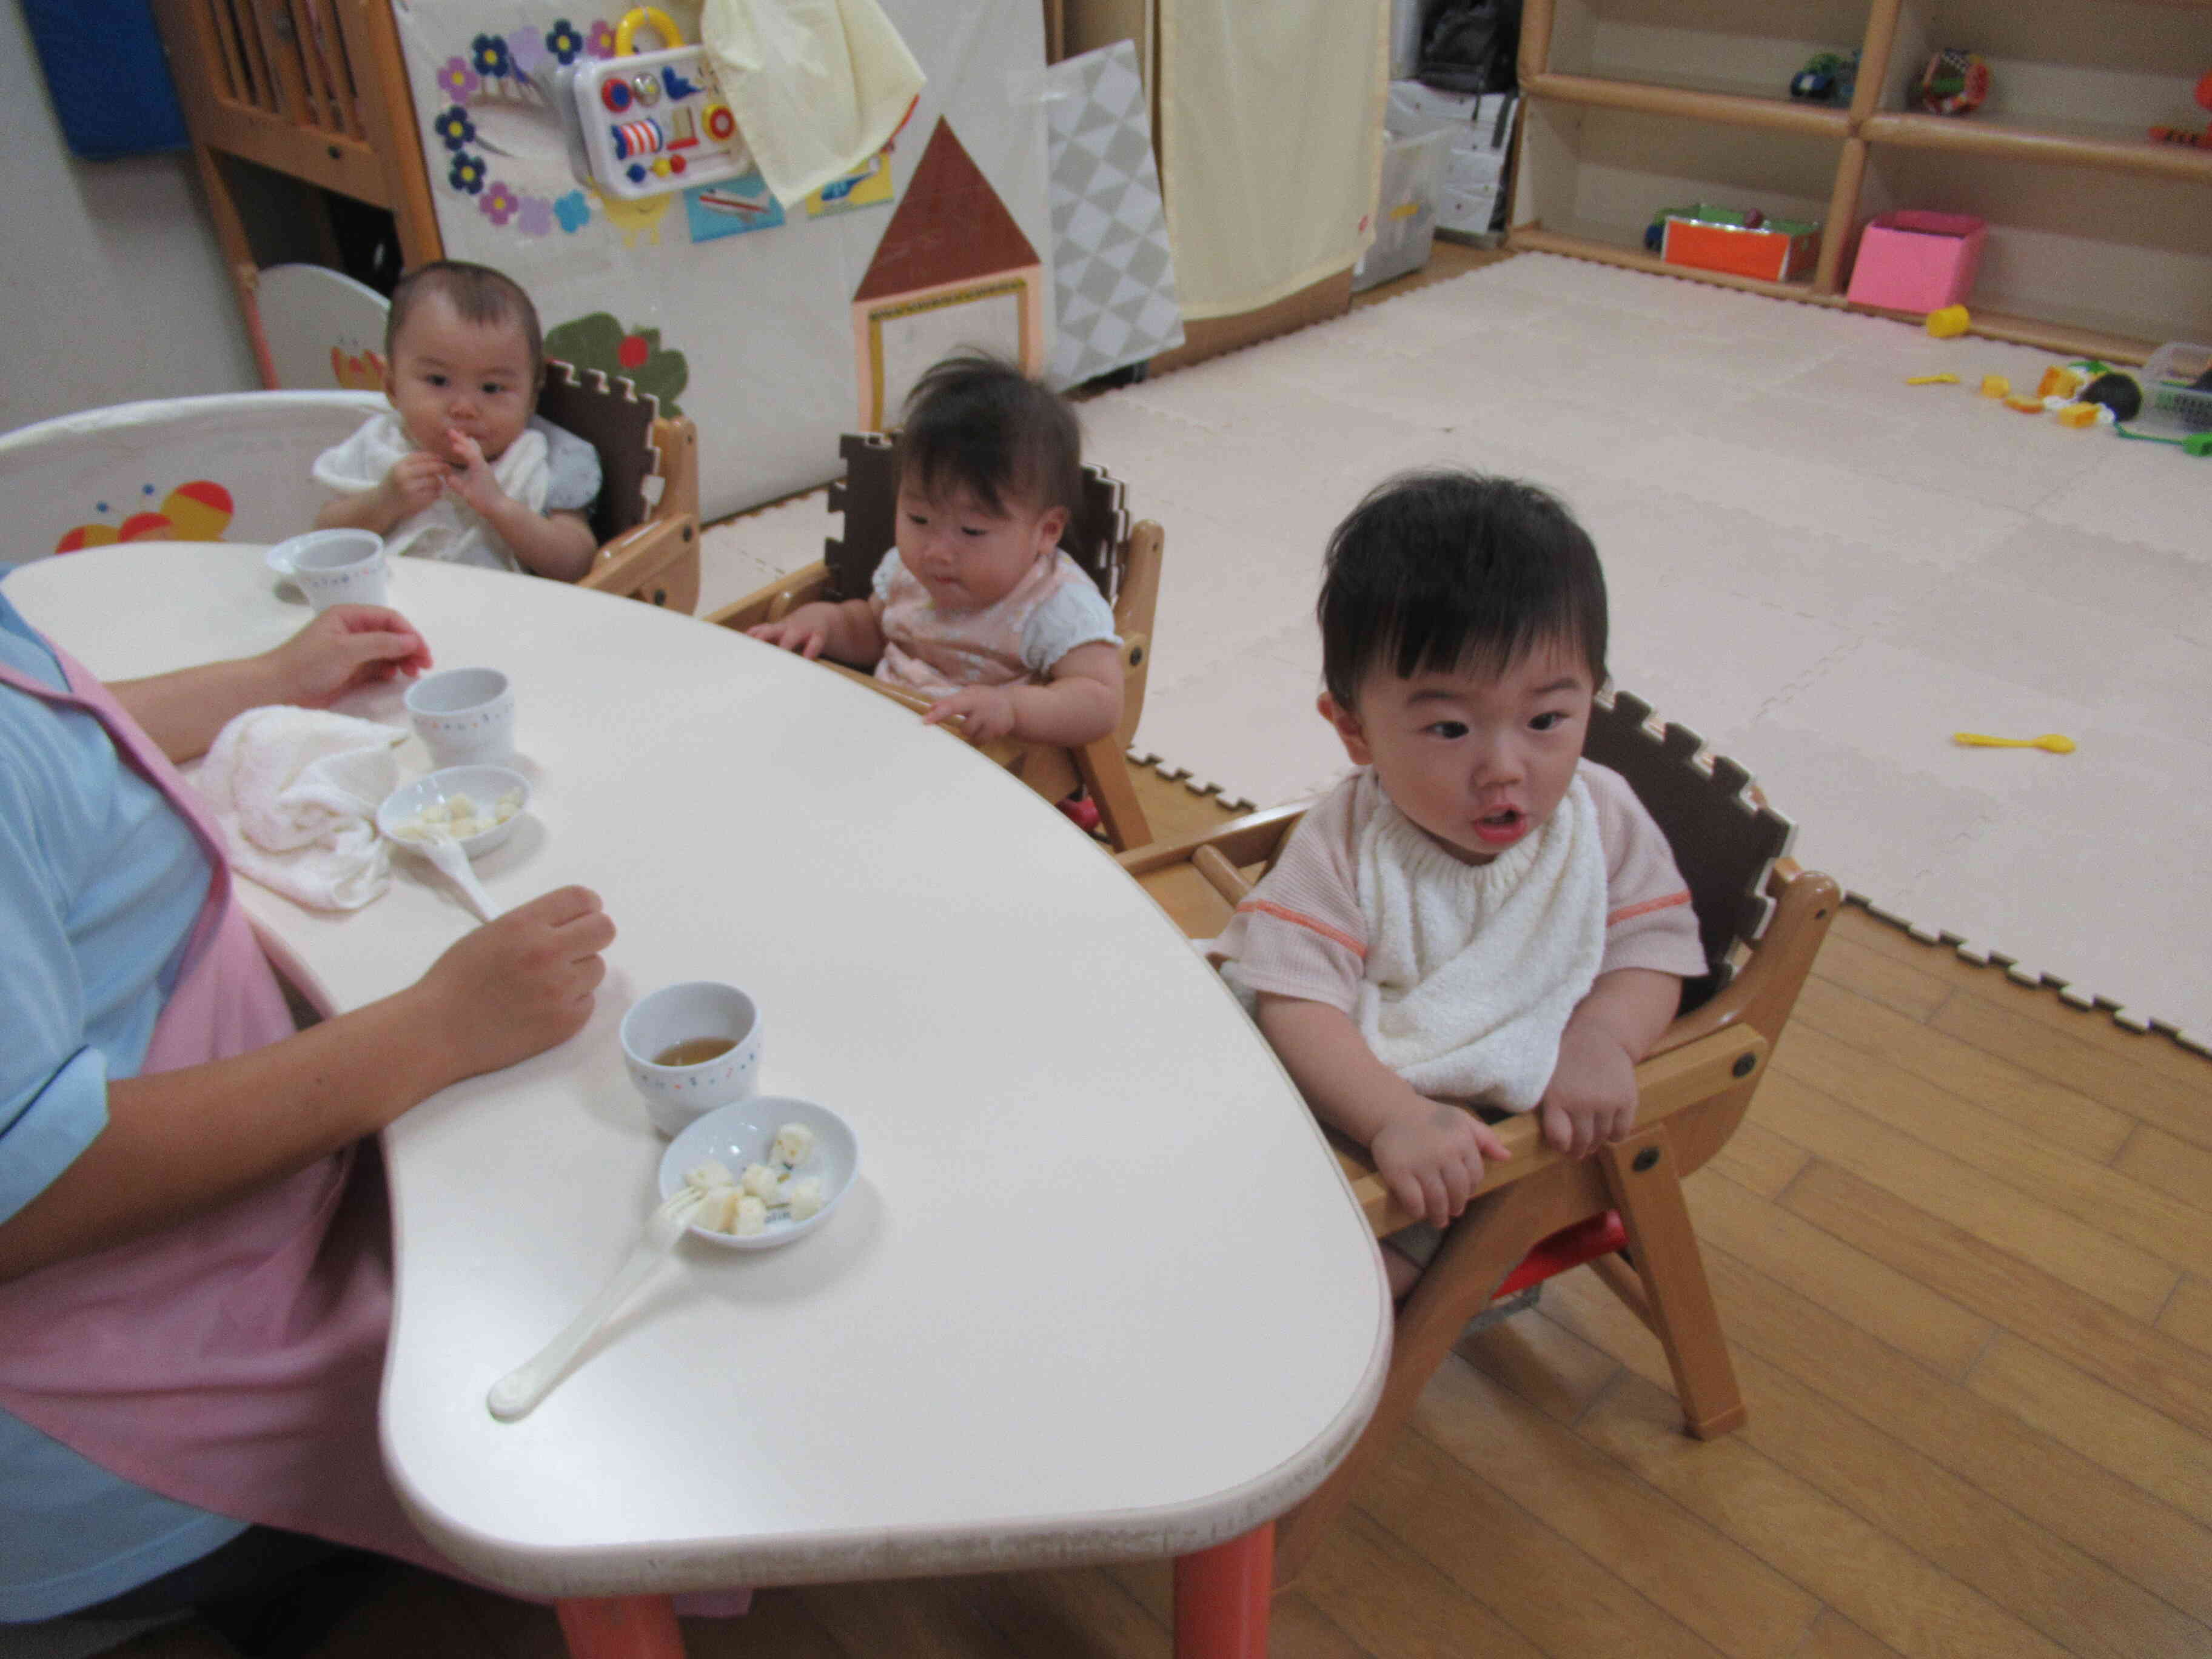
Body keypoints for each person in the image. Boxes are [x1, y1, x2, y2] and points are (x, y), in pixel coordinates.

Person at [0, 591, 615, 1632]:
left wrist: (262, 683)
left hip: (207, 1218)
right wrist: (440, 1026)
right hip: (110, 1390)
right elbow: (28, 1191)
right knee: (572, 1340)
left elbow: (54, 743)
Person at [1210, 471, 1709, 1295]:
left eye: (1548, 719)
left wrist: (1603, 1039)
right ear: (1355, 729)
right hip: (1355, 1095)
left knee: (1355, 1279)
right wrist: (1391, 1114)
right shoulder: (1346, 840)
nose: (1505, 768)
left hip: (1480, 1144)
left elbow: (1654, 947)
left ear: (1594, 699)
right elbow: (1295, 999)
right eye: (1449, 728)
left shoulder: (1604, 820)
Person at [747, 352, 1124, 748]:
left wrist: (1013, 708)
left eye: (972, 531)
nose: (937, 552)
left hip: (980, 759)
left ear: (1046, 531)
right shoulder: (911, 572)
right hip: (879, 726)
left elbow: (1101, 700)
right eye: (919, 519)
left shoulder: (1055, 605)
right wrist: (822, 624)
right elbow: (874, 628)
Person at [313, 261, 602, 581]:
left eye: (492, 388)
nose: (464, 408)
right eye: (438, 381)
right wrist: (384, 502)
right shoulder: (380, 444)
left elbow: (578, 564)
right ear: (393, 387)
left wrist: (500, 507)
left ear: (532, 399)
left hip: (501, 615)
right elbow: (323, 536)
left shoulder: (544, 459)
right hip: (388, 609)